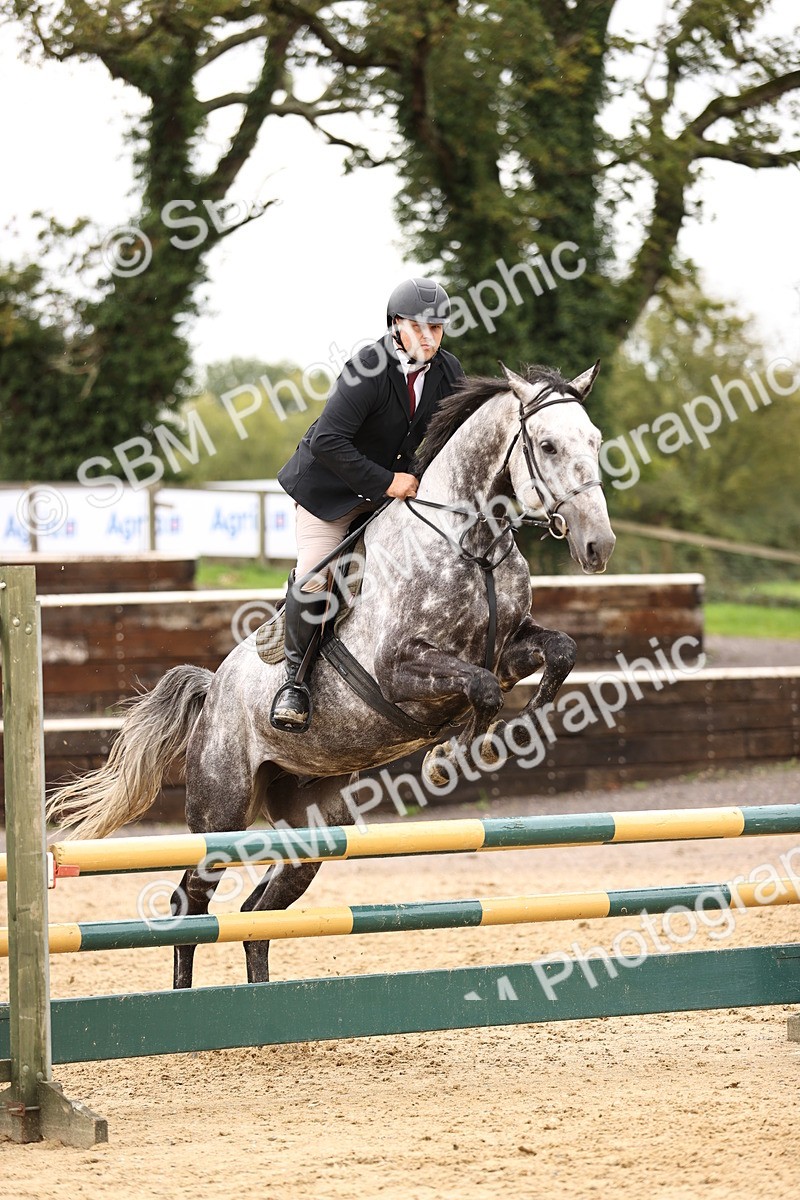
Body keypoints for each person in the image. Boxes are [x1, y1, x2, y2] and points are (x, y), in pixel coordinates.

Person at [271, 277, 465, 731]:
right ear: (396, 325)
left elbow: (451, 436)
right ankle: (293, 683)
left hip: (388, 496)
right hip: (330, 492)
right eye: (418, 327)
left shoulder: (448, 371)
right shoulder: (367, 369)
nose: (429, 337)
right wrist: (388, 482)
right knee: (317, 575)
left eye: (437, 328)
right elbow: (327, 441)